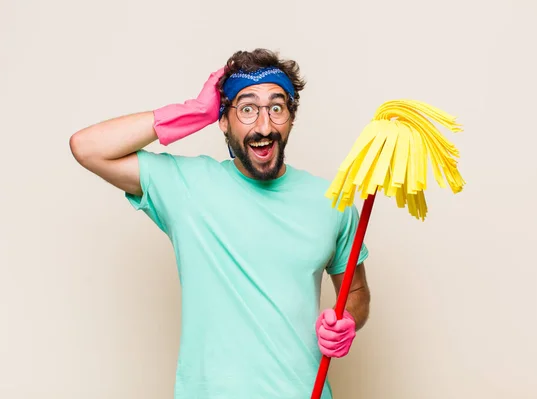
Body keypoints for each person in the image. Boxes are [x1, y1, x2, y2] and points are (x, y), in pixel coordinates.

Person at [69, 48, 371, 399]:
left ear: (291, 117)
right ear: (223, 120)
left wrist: (347, 319)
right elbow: (87, 147)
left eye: (277, 108)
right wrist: (192, 113)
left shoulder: (332, 201)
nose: (264, 125)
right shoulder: (187, 186)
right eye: (246, 108)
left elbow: (356, 291)